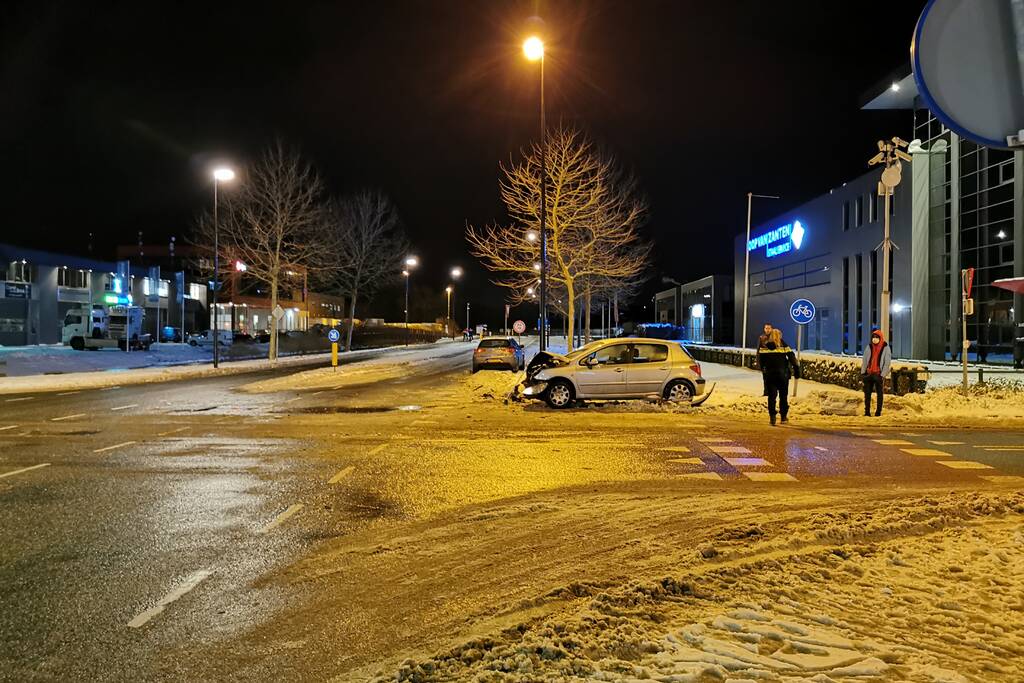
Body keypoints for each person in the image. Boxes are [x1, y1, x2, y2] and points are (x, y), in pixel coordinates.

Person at [757, 329, 801, 426]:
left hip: (770, 375)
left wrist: (765, 371)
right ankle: (783, 417)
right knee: (783, 396)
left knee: (771, 397)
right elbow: (793, 359)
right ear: (780, 336)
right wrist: (797, 372)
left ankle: (772, 417)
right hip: (783, 376)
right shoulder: (784, 346)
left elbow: (761, 362)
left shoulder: (764, 347)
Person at [861, 328, 891, 416]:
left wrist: (882, 375)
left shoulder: (885, 348)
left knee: (879, 394)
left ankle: (878, 412)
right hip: (869, 374)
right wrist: (863, 373)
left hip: (878, 374)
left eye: (876, 337)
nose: (874, 339)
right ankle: (867, 412)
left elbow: (887, 363)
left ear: (880, 338)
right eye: (873, 337)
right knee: (867, 394)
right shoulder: (869, 347)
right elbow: (865, 360)